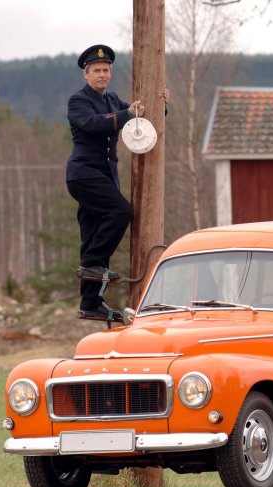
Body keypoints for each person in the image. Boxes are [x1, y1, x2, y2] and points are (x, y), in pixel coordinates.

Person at [66, 44, 169, 320]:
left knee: (92, 234)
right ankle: (92, 265)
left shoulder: (111, 99)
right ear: (86, 75)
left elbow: (139, 119)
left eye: (106, 70)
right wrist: (127, 114)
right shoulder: (78, 101)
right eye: (97, 71)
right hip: (84, 175)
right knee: (121, 212)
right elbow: (94, 124)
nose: (102, 74)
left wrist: (160, 105)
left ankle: (90, 303)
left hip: (105, 177)